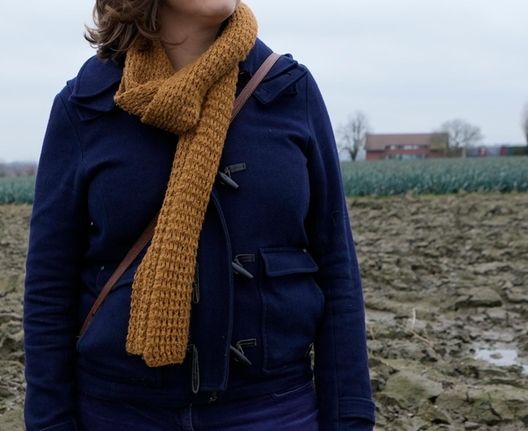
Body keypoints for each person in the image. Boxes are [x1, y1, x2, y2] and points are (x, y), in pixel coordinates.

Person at [23, 0, 376, 430]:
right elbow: (49, 285)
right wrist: (50, 422)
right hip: (121, 411)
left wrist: (350, 416)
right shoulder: (85, 106)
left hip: (271, 409)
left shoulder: (288, 90)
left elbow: (337, 266)